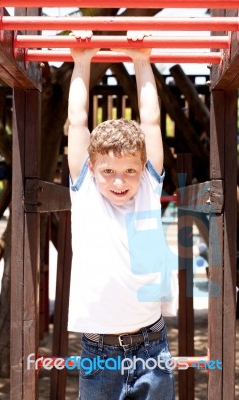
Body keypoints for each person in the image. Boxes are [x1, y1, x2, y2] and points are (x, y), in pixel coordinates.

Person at [67, 30, 177, 400]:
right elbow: (78, 124)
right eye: (109, 172)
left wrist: (142, 60)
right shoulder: (86, 195)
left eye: (130, 170)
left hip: (151, 345)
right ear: (92, 169)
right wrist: (82, 61)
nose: (120, 181)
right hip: (99, 353)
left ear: (143, 169)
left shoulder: (148, 189)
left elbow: (151, 124)